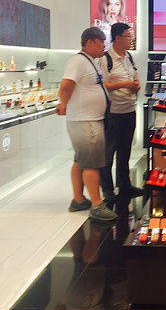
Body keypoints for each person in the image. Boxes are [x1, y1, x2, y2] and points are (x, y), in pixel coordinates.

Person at [56, 27, 117, 221]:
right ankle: (97, 205)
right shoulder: (78, 61)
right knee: (92, 164)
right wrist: (63, 104)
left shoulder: (90, 61)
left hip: (89, 119)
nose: (104, 46)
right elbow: (66, 86)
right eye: (101, 42)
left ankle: (78, 199)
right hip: (85, 121)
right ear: (90, 42)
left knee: (80, 161)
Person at [99, 23, 142, 201]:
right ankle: (107, 190)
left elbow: (135, 78)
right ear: (117, 38)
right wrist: (124, 84)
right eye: (128, 36)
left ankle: (124, 185)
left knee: (125, 152)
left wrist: (136, 86)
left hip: (129, 110)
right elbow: (102, 85)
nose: (131, 39)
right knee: (108, 154)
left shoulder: (129, 57)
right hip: (113, 113)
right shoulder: (105, 59)